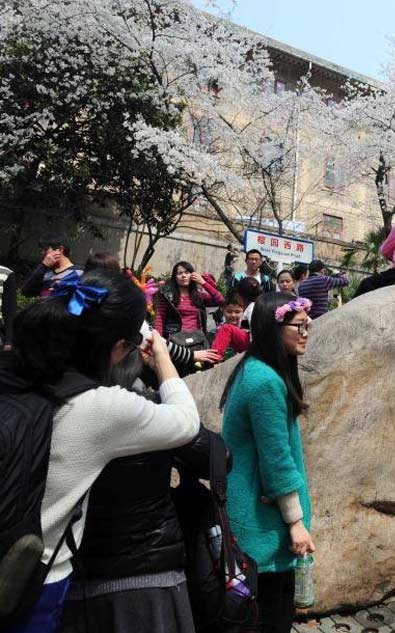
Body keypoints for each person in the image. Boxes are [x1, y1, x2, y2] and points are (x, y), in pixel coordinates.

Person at [1, 270, 200, 632]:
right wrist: (162, 359)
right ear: (120, 347)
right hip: (32, 584)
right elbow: (186, 423)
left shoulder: (14, 367)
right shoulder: (100, 406)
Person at [59, 346, 218, 633]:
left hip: (73, 574)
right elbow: (216, 458)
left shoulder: (57, 407)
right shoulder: (146, 410)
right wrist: (164, 367)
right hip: (150, 576)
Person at [219, 294, 315, 633]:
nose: (306, 331)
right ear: (273, 329)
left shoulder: (256, 370)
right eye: (299, 325)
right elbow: (276, 462)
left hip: (257, 519)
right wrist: (296, 523)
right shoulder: (265, 383)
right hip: (264, 527)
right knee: (270, 618)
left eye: (308, 324)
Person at [153, 261, 223, 339]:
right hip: (175, 338)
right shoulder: (167, 295)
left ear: (192, 275)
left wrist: (203, 282)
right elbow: (159, 318)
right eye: (180, 273)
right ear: (175, 277)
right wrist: (158, 339)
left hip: (196, 339)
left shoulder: (199, 295)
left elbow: (220, 300)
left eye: (187, 272)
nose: (184, 276)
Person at [211, 292, 251, 361]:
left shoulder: (245, 323)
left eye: (237, 312)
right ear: (223, 311)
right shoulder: (220, 328)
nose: (233, 315)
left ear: (243, 311)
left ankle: (213, 359)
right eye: (229, 312)